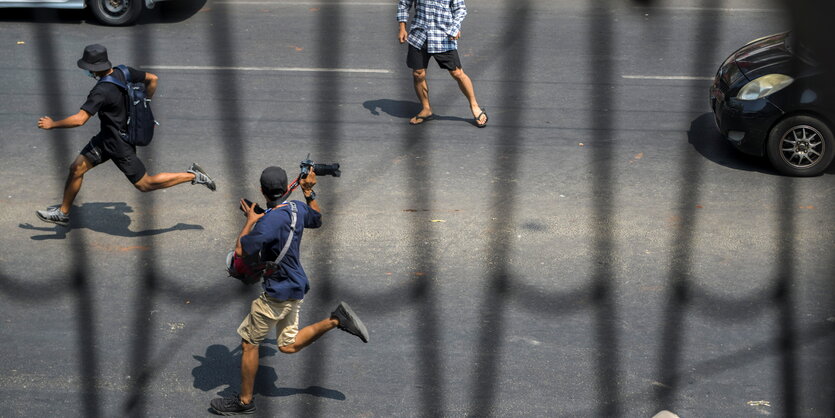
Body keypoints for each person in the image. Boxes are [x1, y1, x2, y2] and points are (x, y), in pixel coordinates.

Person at [210, 166, 369, 415]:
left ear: (262, 190)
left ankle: (244, 401)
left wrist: (251, 222)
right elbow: (316, 219)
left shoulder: (267, 223)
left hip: (276, 292)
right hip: (295, 285)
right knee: (287, 345)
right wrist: (309, 193)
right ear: (286, 189)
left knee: (249, 344)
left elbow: (241, 252)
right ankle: (337, 319)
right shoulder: (296, 208)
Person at [35, 44, 216, 227]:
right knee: (76, 169)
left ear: (93, 68)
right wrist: (144, 105)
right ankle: (63, 213)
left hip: (118, 143)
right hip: (106, 137)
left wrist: (52, 124)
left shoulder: (100, 91)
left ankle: (193, 175)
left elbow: (80, 119)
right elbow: (153, 79)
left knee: (145, 184)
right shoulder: (124, 72)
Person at [397, 0, 488, 127]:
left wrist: (455, 27)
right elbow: (404, 3)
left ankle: (474, 106)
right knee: (418, 74)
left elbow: (460, 9)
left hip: (443, 36)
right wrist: (402, 27)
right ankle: (426, 109)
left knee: (457, 73)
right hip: (419, 35)